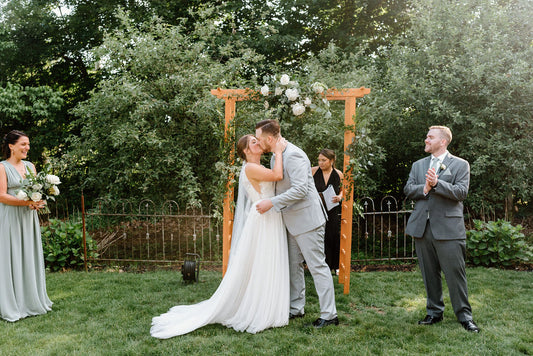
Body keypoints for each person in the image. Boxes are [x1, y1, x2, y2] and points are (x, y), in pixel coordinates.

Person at [151, 134, 289, 338]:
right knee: (263, 262)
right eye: (253, 142)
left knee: (265, 262)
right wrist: (278, 151)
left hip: (267, 216)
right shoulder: (250, 167)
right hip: (263, 220)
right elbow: (278, 176)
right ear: (246, 151)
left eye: (257, 140)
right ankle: (260, 308)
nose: (258, 142)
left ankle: (267, 303)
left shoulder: (255, 167)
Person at [255, 120, 338, 329]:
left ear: (270, 139)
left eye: (259, 139)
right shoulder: (277, 155)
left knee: (318, 266)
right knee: (294, 267)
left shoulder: (295, 155)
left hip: (308, 220)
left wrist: (271, 203)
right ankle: (296, 308)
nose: (258, 142)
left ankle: (329, 315)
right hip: (290, 220)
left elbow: (301, 190)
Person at [404, 125, 480, 333]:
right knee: (429, 274)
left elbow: (461, 192)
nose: (426, 140)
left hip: (448, 228)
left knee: (455, 274)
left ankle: (464, 316)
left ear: (443, 141)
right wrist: (424, 189)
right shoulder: (418, 165)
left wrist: (437, 184)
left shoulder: (460, 165)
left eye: (430, 137)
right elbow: (409, 189)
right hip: (422, 227)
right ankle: (434, 312)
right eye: (427, 136)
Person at [0, 130, 53, 322]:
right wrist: (26, 202)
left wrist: (40, 200)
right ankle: (12, 303)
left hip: (28, 218)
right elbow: (2, 195)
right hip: (10, 217)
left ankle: (31, 300)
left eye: (28, 144)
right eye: (23, 144)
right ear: (11, 146)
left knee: (28, 254)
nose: (27, 148)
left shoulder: (31, 166)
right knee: (11, 256)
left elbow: (37, 190)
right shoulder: (2, 167)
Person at [312, 149, 343, 275]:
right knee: (319, 237)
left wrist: (340, 197)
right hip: (317, 209)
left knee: (333, 236)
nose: (321, 163)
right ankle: (321, 265)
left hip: (332, 209)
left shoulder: (338, 174)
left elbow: (344, 189)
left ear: (332, 160)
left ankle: (336, 266)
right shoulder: (313, 171)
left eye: (324, 160)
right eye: (319, 160)